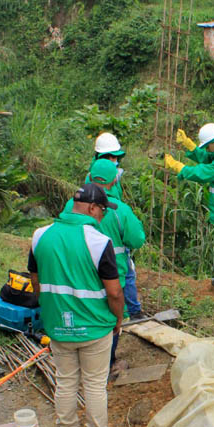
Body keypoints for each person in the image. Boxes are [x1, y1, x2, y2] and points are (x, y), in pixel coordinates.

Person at [29, 183, 125, 427]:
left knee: (66, 382)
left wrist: (50, 310)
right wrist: (118, 319)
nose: (103, 216)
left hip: (58, 327)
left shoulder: (41, 236)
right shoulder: (99, 242)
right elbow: (114, 292)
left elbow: (36, 280)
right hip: (94, 327)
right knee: (94, 385)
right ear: (93, 208)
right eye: (103, 210)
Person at [163, 123, 214, 306]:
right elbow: (206, 158)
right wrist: (189, 145)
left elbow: (202, 173)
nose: (207, 149)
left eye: (208, 146)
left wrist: (178, 167)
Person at [75, 158, 145, 376]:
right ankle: (108, 363)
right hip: (113, 274)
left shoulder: (74, 205)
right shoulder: (119, 210)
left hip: (80, 272)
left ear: (90, 177)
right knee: (113, 317)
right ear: (114, 181)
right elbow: (137, 239)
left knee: (84, 310)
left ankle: (83, 360)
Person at [86, 132, 142, 319]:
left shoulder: (80, 197)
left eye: (116, 157)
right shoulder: (118, 210)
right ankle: (129, 313)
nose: (115, 161)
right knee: (123, 278)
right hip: (113, 249)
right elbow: (136, 238)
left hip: (90, 252)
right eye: (112, 157)